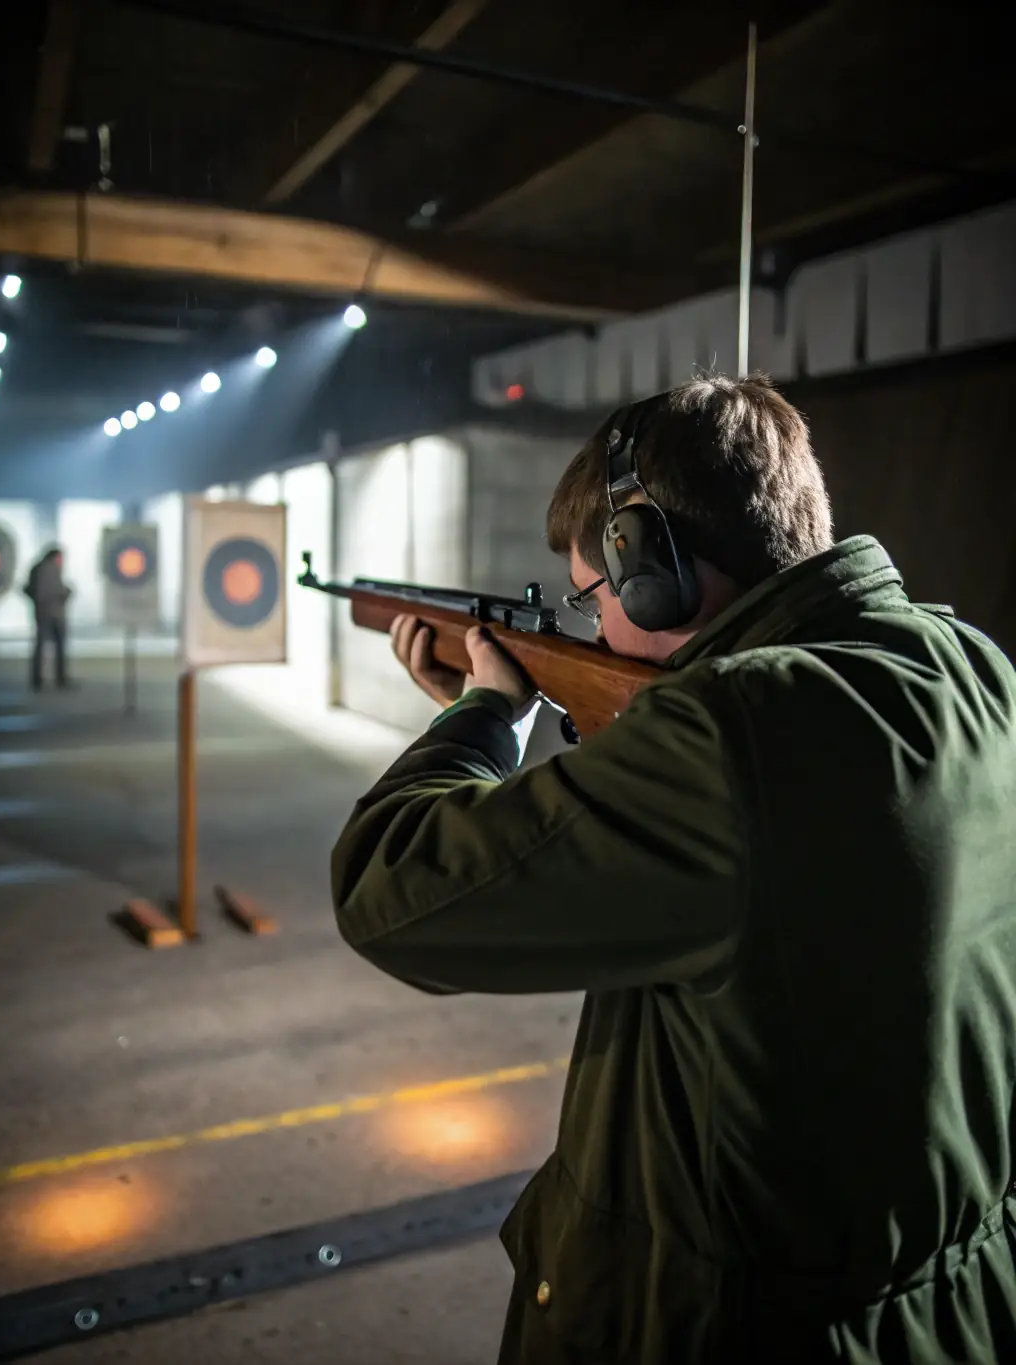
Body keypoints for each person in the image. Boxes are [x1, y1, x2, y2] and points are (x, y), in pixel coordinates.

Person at [329, 374, 1016, 1364]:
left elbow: (388, 889)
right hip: (949, 1311)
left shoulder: (732, 730)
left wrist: (479, 717)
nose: (596, 627)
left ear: (653, 568)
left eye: (595, 594)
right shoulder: (967, 665)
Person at [24, 546, 73, 691]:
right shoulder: (50, 569)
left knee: (41, 646)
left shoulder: (37, 568)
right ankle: (59, 678)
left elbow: (30, 589)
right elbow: (52, 591)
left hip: (43, 612)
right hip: (53, 613)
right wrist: (66, 593)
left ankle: (38, 679)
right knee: (56, 647)